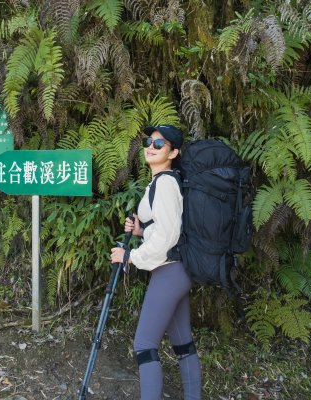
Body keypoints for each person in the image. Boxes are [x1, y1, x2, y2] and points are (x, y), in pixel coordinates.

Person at [110, 125, 201, 399]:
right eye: (149, 141)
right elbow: (166, 227)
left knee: (144, 344)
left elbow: (167, 236)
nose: (151, 146)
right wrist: (141, 231)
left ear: (173, 152)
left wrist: (130, 256)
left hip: (170, 271)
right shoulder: (163, 180)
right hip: (177, 270)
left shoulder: (165, 183)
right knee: (182, 343)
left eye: (159, 144)